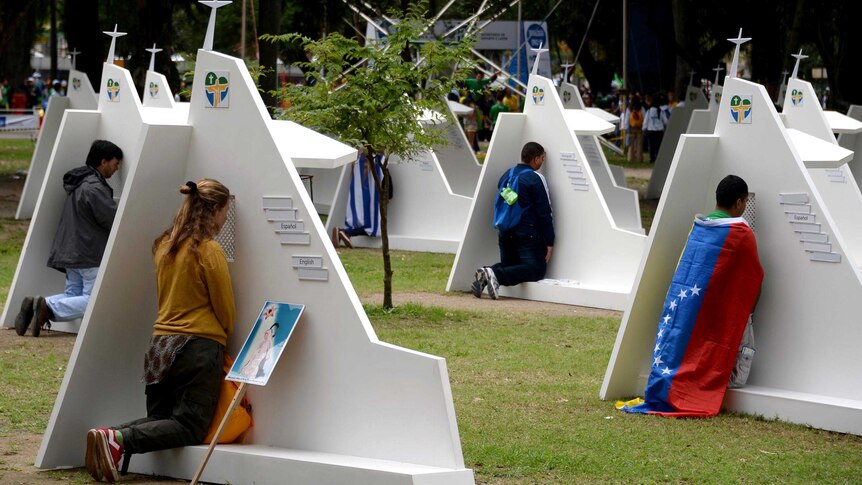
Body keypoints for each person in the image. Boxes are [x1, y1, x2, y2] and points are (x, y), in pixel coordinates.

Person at [84, 179, 235, 483]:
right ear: (215, 209)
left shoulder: (164, 245)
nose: (225, 219)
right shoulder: (209, 250)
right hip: (197, 346)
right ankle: (117, 439)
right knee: (190, 425)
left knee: (161, 419)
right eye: (225, 212)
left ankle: (109, 436)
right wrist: (225, 334)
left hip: (160, 347)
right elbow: (226, 311)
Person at [620, 175, 763, 417]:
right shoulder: (741, 234)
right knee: (732, 370)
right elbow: (754, 277)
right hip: (719, 311)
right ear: (740, 203)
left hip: (686, 306)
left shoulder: (698, 228)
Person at [14, 140, 123, 337]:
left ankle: (36, 307)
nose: (117, 168)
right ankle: (45, 304)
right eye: (116, 163)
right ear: (104, 161)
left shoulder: (80, 182)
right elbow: (112, 218)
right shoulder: (94, 187)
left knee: (73, 296)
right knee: (94, 300)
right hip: (89, 252)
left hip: (71, 250)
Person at [472, 142, 554, 299]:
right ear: (536, 159)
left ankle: (486, 274)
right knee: (536, 269)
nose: (542, 162)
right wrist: (550, 241)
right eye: (542, 158)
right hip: (527, 232)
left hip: (505, 230)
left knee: (510, 265)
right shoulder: (535, 178)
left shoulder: (507, 174)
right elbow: (544, 211)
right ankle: (494, 273)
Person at [627, 95, 644, 163]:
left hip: (632, 128)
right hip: (639, 128)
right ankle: (639, 158)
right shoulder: (641, 108)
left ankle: (631, 157)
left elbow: (627, 118)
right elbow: (644, 117)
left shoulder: (629, 109)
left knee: (631, 144)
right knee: (639, 144)